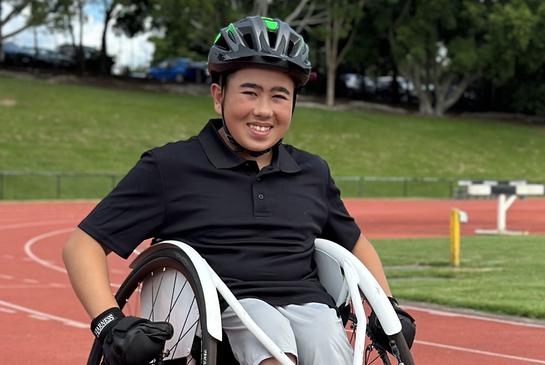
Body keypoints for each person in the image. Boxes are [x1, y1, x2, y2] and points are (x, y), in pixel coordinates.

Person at [62, 15, 415, 365]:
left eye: (279, 96)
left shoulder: (312, 172)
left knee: (323, 330)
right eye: (250, 92)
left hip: (310, 307)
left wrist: (388, 307)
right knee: (263, 323)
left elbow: (353, 244)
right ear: (219, 96)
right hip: (220, 314)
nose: (263, 110)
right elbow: (83, 244)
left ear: (293, 104)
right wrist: (110, 324)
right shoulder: (169, 167)